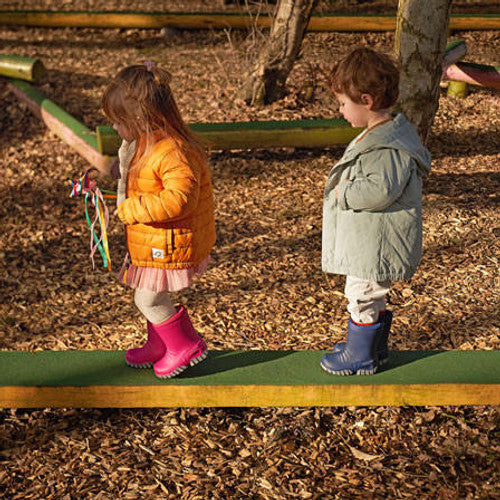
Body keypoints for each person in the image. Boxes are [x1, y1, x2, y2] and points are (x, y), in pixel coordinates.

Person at [320, 48, 431, 375]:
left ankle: (361, 355)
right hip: (371, 237)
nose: (341, 110)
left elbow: (379, 190)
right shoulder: (381, 135)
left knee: (362, 293)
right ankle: (373, 347)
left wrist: (344, 192)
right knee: (369, 292)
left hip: (375, 241)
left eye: (343, 103)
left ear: (366, 100)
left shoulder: (387, 147)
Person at [102, 62, 216, 378]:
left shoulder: (173, 150)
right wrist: (120, 170)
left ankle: (184, 346)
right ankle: (161, 344)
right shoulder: (145, 142)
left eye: (117, 122)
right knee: (152, 293)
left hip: (168, 240)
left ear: (138, 119)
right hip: (154, 239)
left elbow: (179, 199)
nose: (115, 129)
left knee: (148, 297)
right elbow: (141, 172)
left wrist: (131, 209)